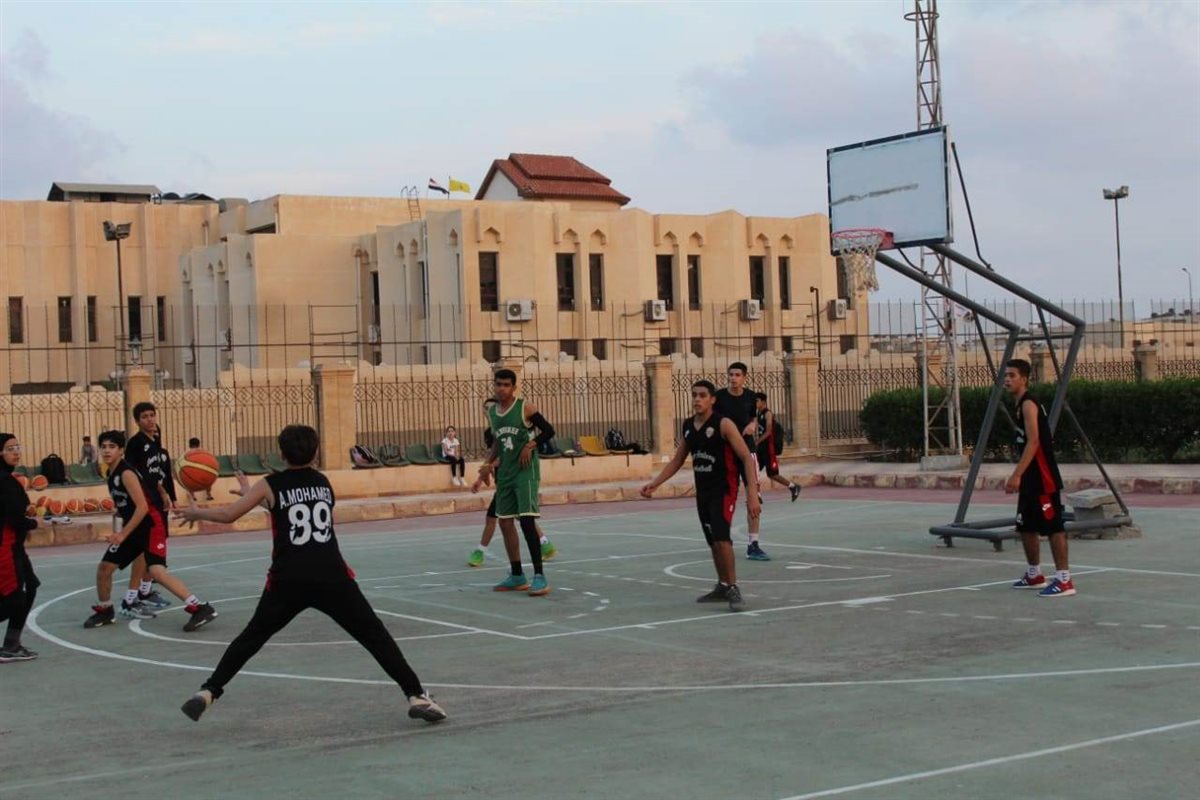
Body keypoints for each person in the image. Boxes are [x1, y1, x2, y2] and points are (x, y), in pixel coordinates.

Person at [175, 424, 446, 724]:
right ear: (315, 453)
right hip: (332, 576)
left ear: (280, 454)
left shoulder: (269, 484)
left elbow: (233, 514)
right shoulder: (322, 482)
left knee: (252, 637)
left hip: (288, 579)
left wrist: (199, 511)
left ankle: (208, 692)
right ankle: (416, 695)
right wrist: (255, 495)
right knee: (375, 636)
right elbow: (296, 507)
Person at [641, 380, 761, 612]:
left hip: (724, 490)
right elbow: (678, 460)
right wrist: (654, 484)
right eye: (694, 395)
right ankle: (722, 585)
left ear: (712, 399)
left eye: (702, 395)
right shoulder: (688, 426)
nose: (697, 399)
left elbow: (747, 457)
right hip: (703, 491)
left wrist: (753, 494)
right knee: (713, 541)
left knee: (722, 537)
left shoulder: (724, 424)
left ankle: (733, 587)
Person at [82, 430, 217, 630]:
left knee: (157, 571)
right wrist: (118, 528)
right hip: (134, 529)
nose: (107, 450)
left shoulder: (126, 473)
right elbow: (124, 507)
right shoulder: (111, 473)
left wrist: (122, 534)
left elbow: (143, 507)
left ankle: (200, 608)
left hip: (150, 526)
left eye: (112, 447)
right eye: (103, 447)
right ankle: (106, 610)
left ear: (121, 450)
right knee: (105, 568)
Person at [470, 371, 556, 596]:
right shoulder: (493, 413)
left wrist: (530, 445)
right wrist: (487, 464)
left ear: (514, 387)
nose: (501, 388)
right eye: (498, 384)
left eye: (506, 385)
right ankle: (517, 575)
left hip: (525, 472)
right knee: (505, 523)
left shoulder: (524, 407)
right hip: (505, 474)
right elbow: (498, 443)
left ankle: (539, 576)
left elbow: (549, 430)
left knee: (527, 521)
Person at [1004, 359, 1074, 598]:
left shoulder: (1029, 404)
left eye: (1012, 375)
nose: (1007, 379)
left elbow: (1034, 442)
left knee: (1053, 527)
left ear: (1024, 379)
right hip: (1030, 478)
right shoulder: (1019, 404)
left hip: (1043, 478)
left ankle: (1064, 580)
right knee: (1025, 525)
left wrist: (1016, 474)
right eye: (1006, 375)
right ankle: (1034, 574)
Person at [715, 362, 770, 561]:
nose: (733, 378)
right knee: (724, 498)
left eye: (737, 374)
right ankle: (721, 540)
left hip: (748, 452)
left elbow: (753, 418)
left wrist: (752, 425)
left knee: (753, 498)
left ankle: (753, 544)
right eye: (731, 374)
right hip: (727, 452)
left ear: (744, 377)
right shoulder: (720, 397)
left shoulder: (750, 397)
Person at [1, 433, 40, 662]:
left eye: (17, 447)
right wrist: (34, 522)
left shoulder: (10, 480)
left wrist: (27, 512)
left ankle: (11, 644)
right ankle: (10, 647)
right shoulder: (5, 481)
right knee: (13, 600)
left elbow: (17, 510)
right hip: (5, 547)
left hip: (15, 546)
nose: (16, 452)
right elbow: (16, 519)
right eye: (10, 448)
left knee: (31, 587)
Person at [754, 392, 801, 502]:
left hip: (769, 449)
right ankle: (757, 495)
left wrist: (757, 441)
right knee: (753, 471)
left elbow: (768, 431)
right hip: (761, 449)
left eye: (757, 401)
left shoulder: (768, 414)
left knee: (773, 474)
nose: (755, 403)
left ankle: (793, 486)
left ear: (763, 402)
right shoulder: (758, 413)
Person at [183, 437, 214, 503]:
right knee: (208, 480)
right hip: (202, 472)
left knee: (189, 480)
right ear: (199, 444)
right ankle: (208, 494)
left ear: (189, 445)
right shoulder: (203, 453)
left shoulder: (187, 454)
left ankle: (193, 495)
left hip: (192, 472)